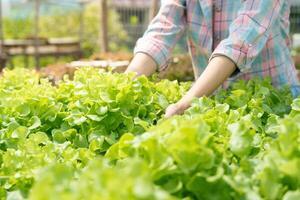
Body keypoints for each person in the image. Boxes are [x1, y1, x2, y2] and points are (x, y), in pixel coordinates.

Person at [125, 0, 300, 118]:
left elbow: (240, 41)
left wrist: (184, 104)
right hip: (210, 102)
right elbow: (162, 30)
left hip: (274, 105)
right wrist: (124, 86)